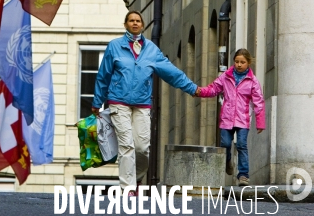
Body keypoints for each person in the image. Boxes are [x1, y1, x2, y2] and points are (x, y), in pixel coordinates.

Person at [91, 10, 197, 195]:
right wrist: (97, 102)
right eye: (131, 21)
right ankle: (128, 188)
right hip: (118, 102)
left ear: (142, 25)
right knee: (126, 145)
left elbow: (171, 72)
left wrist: (192, 88)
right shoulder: (114, 46)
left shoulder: (151, 50)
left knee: (142, 147)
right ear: (125, 24)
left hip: (142, 104)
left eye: (138, 21)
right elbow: (103, 75)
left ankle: (136, 177)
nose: (134, 23)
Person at [195, 48, 265, 186]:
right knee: (225, 144)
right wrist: (199, 91)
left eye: (242, 62)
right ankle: (227, 162)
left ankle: (243, 175)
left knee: (241, 145)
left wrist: (260, 122)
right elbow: (213, 88)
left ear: (248, 63)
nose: (239, 64)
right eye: (237, 61)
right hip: (227, 117)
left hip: (242, 118)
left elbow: (258, 101)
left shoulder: (252, 81)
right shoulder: (226, 76)